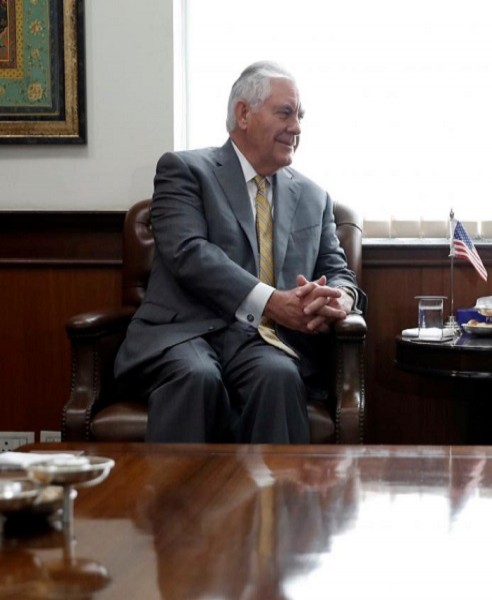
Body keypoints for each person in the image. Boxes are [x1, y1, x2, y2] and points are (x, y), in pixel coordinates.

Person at [114, 61, 365, 443]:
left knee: (280, 376)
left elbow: (338, 270)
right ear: (243, 114)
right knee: (197, 377)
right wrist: (272, 302)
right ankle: (182, 504)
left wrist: (339, 300)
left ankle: (277, 503)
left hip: (259, 342)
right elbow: (188, 253)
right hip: (184, 333)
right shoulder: (185, 170)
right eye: (285, 113)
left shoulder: (314, 197)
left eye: (299, 116)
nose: (296, 127)